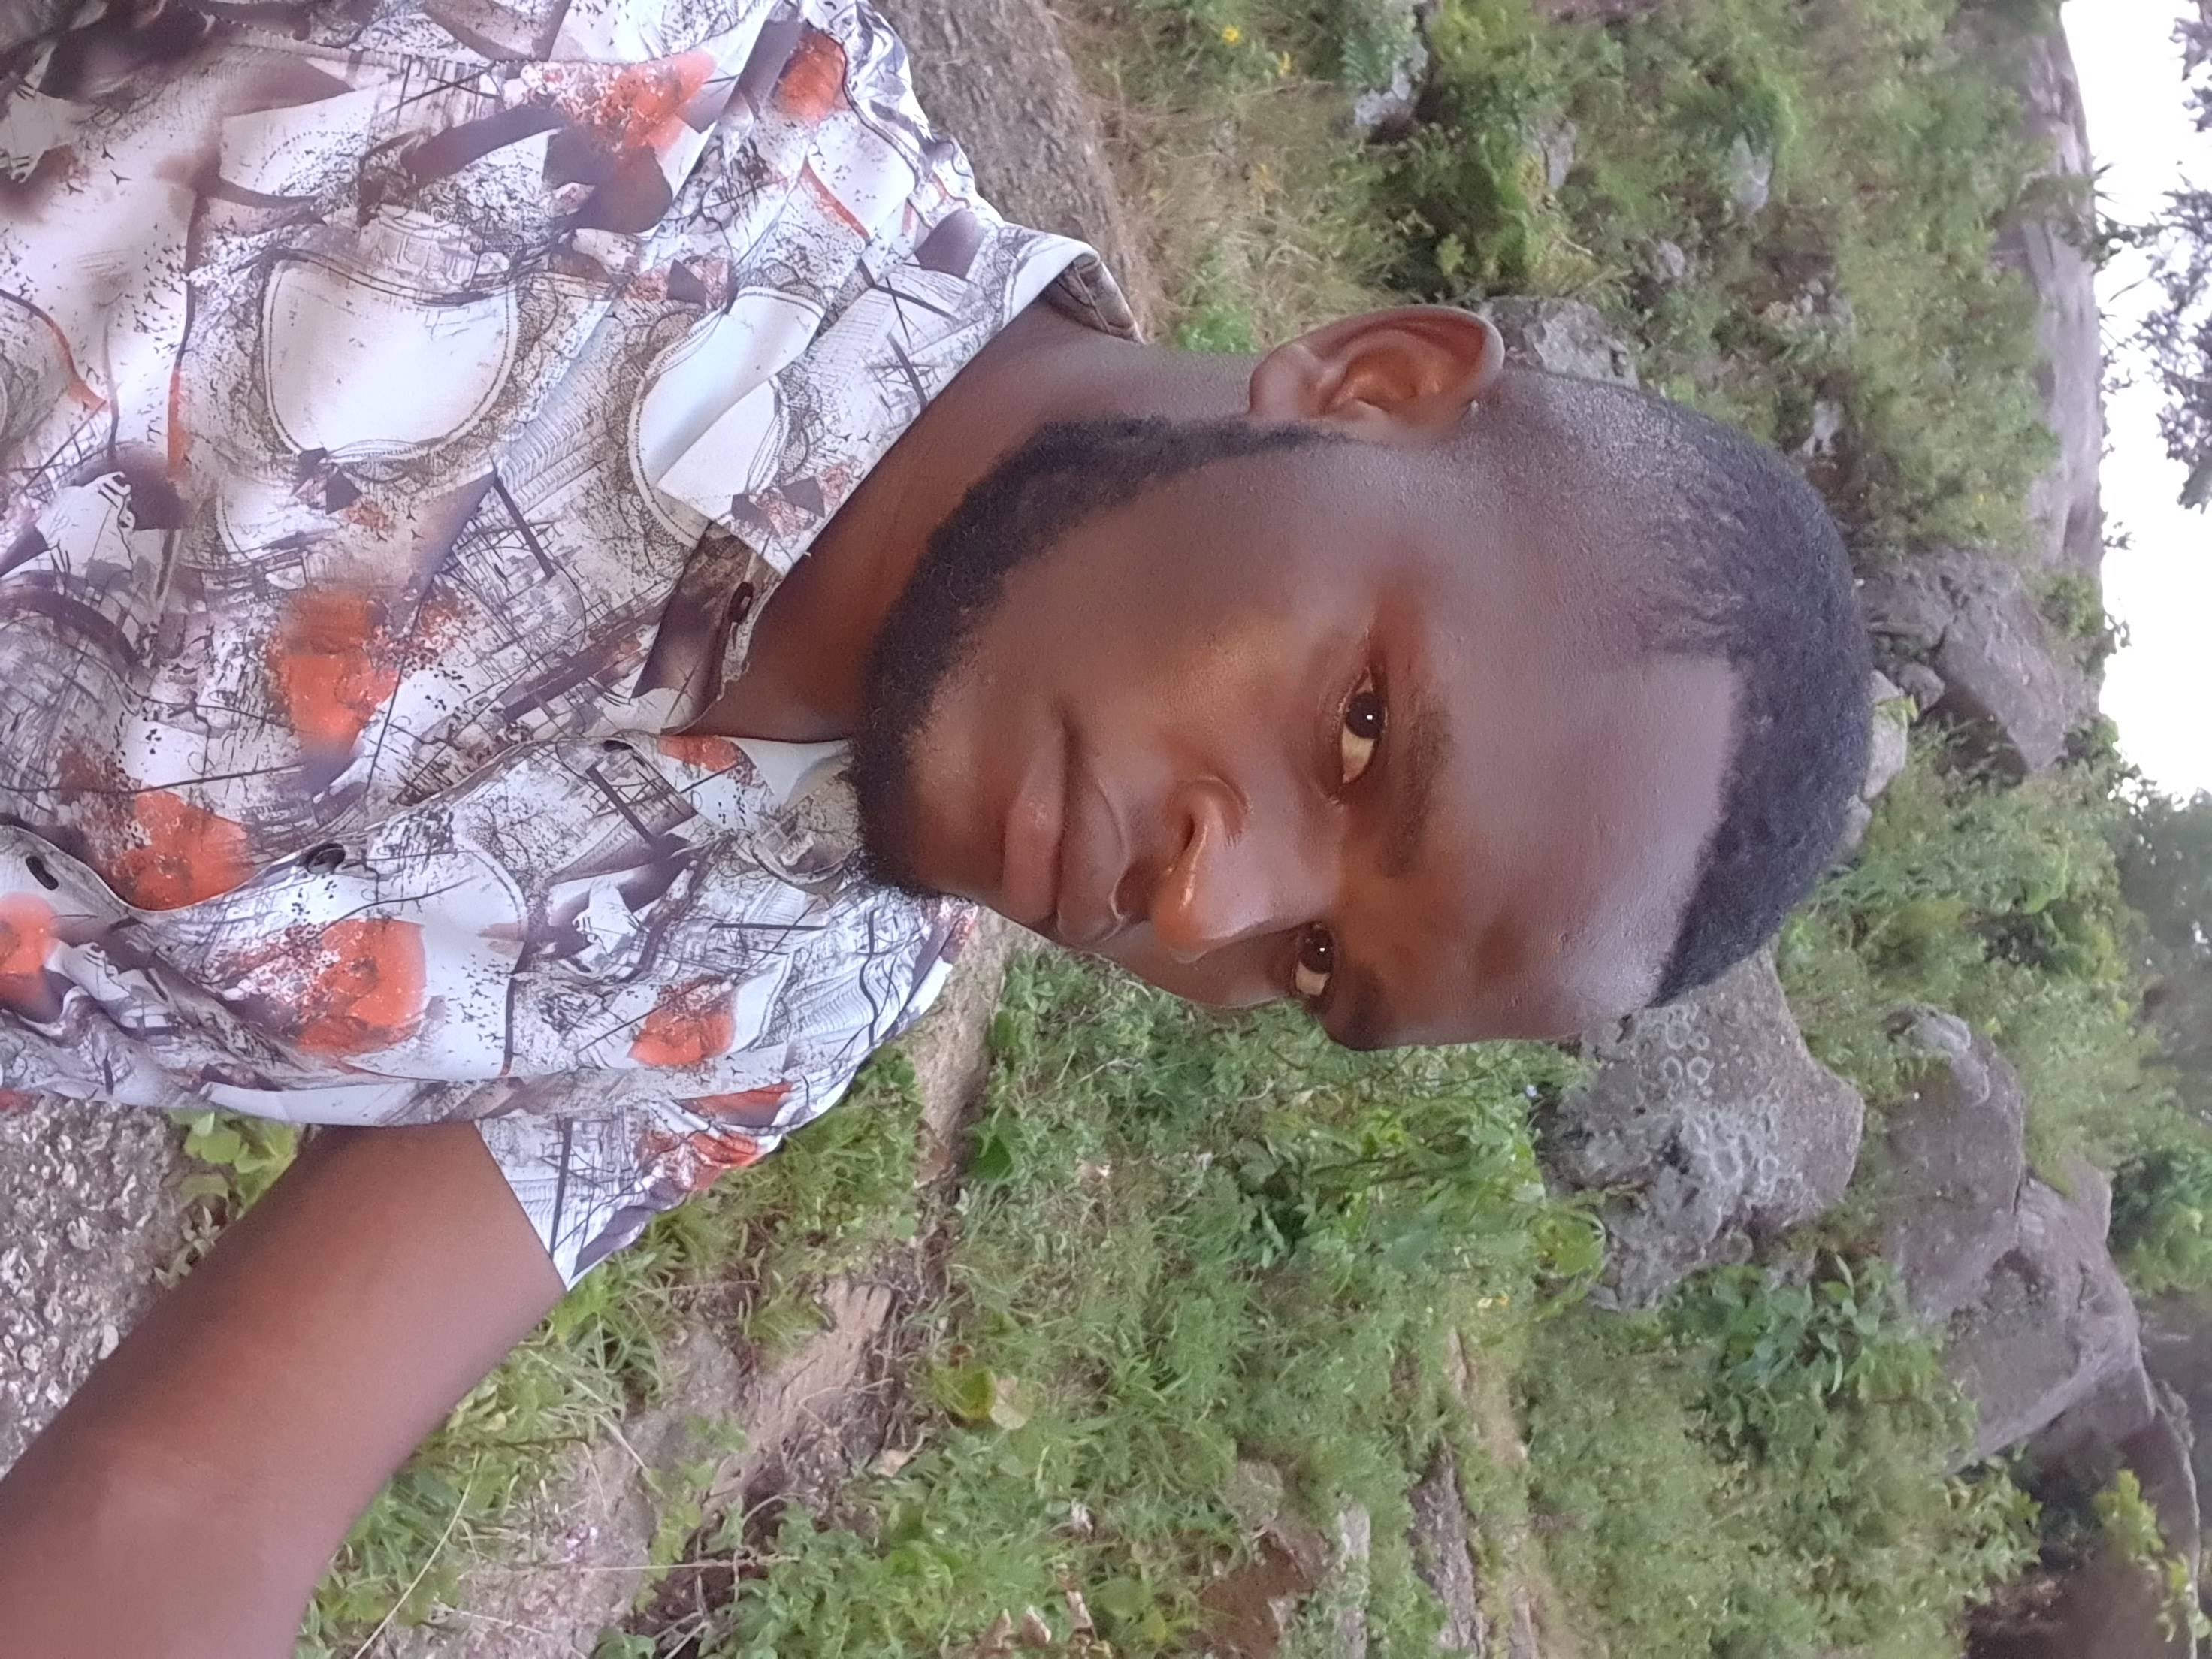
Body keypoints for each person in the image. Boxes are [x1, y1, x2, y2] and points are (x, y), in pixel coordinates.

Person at [0, 0, 1872, 1651]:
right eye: (1358, 732)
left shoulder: (778, 999)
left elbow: (200, 1496)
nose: (1196, 904)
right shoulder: (607, 65)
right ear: (1365, 383)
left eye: (1314, 967)